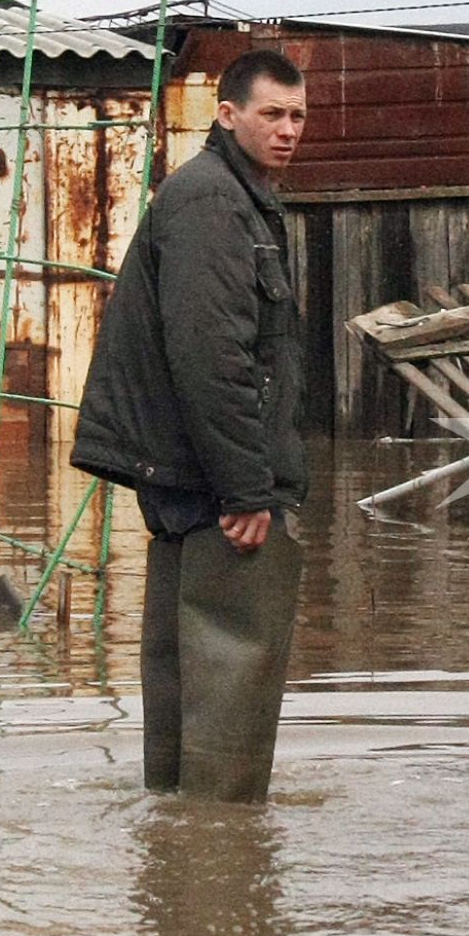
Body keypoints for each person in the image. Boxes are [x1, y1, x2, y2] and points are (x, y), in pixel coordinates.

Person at [72, 49, 309, 804]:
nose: (288, 130)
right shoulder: (213, 202)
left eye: (298, 115)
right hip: (215, 480)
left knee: (187, 684)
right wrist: (247, 489)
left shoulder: (232, 196)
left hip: (191, 470)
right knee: (229, 683)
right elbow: (211, 357)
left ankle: (178, 861)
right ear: (228, 114)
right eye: (271, 113)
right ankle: (221, 872)